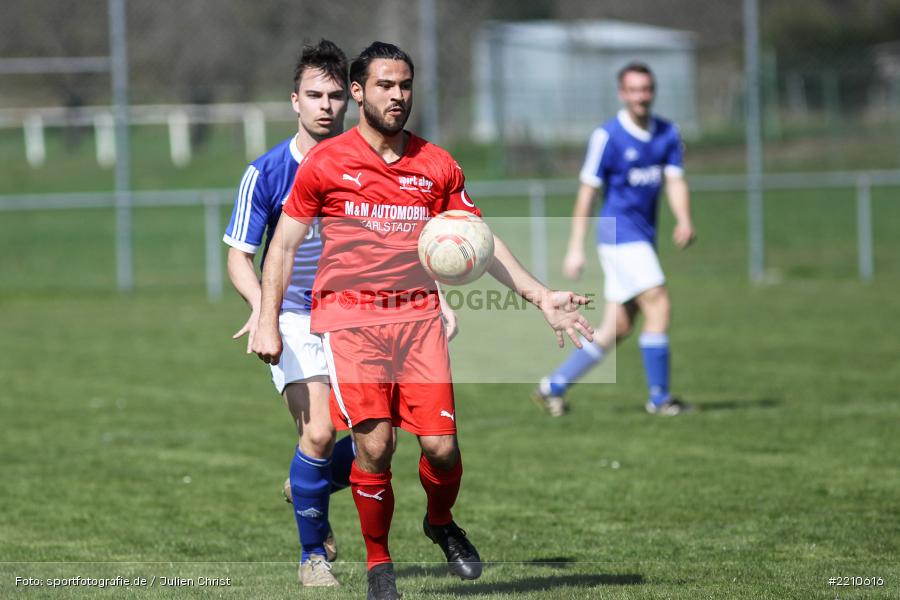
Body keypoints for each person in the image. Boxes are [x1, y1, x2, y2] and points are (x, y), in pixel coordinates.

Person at [251, 42, 594, 600]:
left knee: (441, 448)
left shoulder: (437, 164)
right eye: (385, 85)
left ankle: (440, 521)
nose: (398, 95)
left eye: (405, 85)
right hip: (350, 322)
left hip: (419, 319)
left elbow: (479, 240)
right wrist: (267, 319)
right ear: (358, 92)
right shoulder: (326, 162)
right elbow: (283, 247)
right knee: (376, 447)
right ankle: (379, 566)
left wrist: (540, 294)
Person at [222, 39, 355, 587]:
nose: (325, 105)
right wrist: (264, 311)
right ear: (294, 100)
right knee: (320, 433)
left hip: (355, 315)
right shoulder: (268, 171)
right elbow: (239, 256)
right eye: (314, 95)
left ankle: (306, 483)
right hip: (295, 315)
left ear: (349, 100)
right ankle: (312, 558)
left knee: (381, 442)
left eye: (334, 96)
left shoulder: (368, 166)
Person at [533, 61, 696, 417]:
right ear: (622, 93)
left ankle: (552, 387)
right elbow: (587, 193)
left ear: (653, 92)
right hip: (618, 234)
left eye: (646, 89)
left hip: (643, 237)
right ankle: (660, 399)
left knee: (617, 327)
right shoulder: (607, 136)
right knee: (659, 302)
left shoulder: (668, 133)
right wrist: (575, 247)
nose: (641, 97)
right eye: (634, 90)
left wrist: (684, 219)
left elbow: (674, 181)